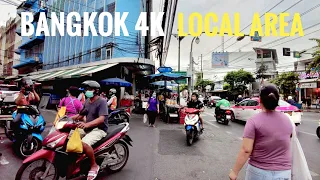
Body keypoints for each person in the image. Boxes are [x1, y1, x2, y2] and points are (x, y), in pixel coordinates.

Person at [229, 84, 293, 180]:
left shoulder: (253, 121)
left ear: (260, 100)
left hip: (259, 172)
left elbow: (246, 150)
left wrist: (234, 172)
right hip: (284, 173)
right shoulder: (288, 120)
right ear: (277, 100)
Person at [72, 80, 108, 180]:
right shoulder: (87, 101)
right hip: (88, 127)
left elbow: (101, 119)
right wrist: (68, 119)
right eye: (86, 89)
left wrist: (86, 124)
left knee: (84, 143)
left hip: (99, 129)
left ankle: (94, 165)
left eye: (89, 89)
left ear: (96, 91)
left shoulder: (102, 101)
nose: (87, 91)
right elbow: (81, 114)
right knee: (70, 136)